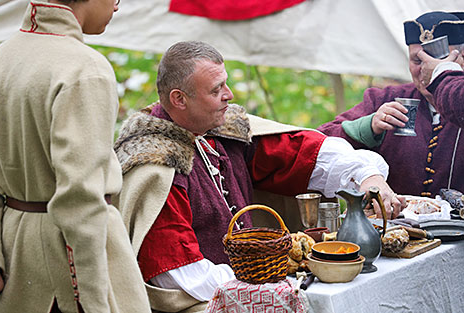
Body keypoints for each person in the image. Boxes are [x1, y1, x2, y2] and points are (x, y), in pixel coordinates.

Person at [113, 40, 402, 312]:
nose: (230, 95)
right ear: (179, 99)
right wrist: (263, 283)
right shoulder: (156, 166)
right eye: (216, 90)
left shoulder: (222, 132)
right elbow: (176, 276)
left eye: (226, 83)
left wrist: (365, 175)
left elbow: (297, 154)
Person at [0, 1, 152, 312]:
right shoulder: (84, 68)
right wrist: (95, 300)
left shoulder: (1, 57)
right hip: (70, 268)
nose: (117, 6)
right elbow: (80, 200)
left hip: (14, 262)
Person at [317, 11, 464, 198]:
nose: (425, 68)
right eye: (417, 60)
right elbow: (320, 143)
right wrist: (368, 128)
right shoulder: (386, 98)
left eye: (437, 59)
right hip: (391, 226)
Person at [417, 49, 464, 128]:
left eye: (443, 59)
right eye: (417, 60)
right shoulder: (391, 94)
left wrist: (442, 71)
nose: (425, 67)